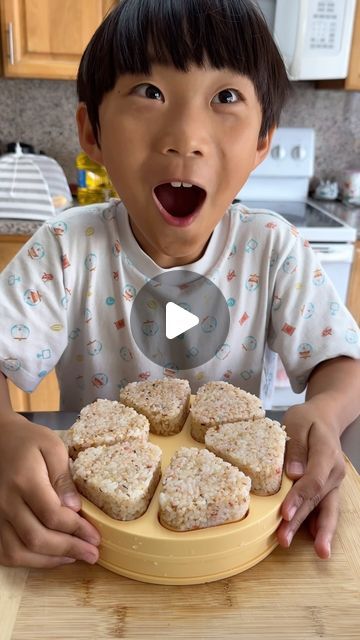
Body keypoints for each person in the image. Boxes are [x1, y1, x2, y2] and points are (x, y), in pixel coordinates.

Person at [0, 0, 359, 570]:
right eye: (149, 91)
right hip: (93, 537)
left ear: (264, 139)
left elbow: (342, 361)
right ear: (90, 131)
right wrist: (3, 434)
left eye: (225, 98)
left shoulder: (273, 249)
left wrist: (328, 410)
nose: (185, 137)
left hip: (234, 537)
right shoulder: (66, 251)